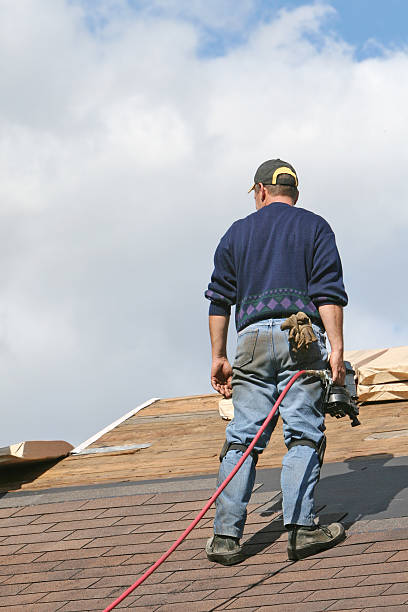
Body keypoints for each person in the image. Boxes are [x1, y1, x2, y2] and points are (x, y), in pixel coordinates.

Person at [204, 159, 348, 565]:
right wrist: (335, 347)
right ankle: (301, 529)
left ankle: (225, 538)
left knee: (243, 439)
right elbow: (328, 292)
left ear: (260, 191)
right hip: (300, 337)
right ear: (293, 193)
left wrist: (218, 356)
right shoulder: (315, 226)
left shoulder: (237, 233)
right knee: (302, 434)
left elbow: (219, 299)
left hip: (249, 340)